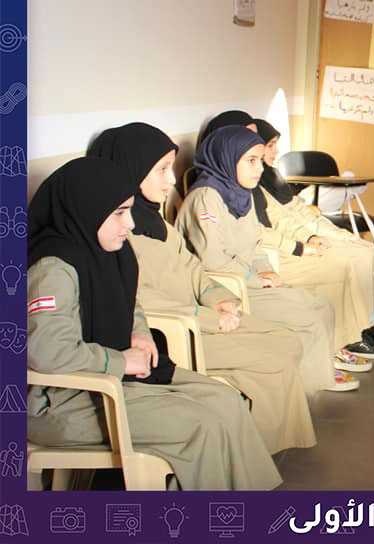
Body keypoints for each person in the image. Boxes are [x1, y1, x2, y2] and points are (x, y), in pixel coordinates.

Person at [27, 158, 281, 490]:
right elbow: (47, 351)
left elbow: (129, 302)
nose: (130, 223)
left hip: (111, 379)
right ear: (86, 208)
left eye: (129, 211)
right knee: (201, 424)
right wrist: (121, 361)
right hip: (63, 402)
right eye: (120, 213)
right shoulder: (53, 268)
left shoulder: (107, 251)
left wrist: (139, 333)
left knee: (226, 400)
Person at [89, 123, 317, 453]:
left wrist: (219, 298)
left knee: (287, 340)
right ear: (131, 170)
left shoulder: (156, 221)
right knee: (274, 357)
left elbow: (193, 267)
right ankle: (255, 452)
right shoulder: (119, 234)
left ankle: (257, 441)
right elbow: (142, 301)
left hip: (201, 318)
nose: (172, 180)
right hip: (175, 336)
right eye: (162, 170)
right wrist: (210, 318)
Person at [176, 126, 357, 394]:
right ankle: (309, 385)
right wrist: (257, 280)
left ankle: (316, 375)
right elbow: (213, 262)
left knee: (321, 306)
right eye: (251, 161)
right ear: (227, 158)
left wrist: (267, 271)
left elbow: (255, 242)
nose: (260, 169)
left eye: (260, 160)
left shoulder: (241, 193)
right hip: (228, 289)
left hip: (249, 280)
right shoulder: (205, 198)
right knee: (307, 317)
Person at [253, 118, 374, 355]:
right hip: (281, 252)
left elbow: (297, 212)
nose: (275, 151)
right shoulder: (246, 185)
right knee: (351, 261)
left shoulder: (270, 177)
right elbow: (277, 225)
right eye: (269, 145)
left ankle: (368, 323)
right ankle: (353, 332)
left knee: (366, 249)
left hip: (299, 239)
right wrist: (306, 241)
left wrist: (337, 234)